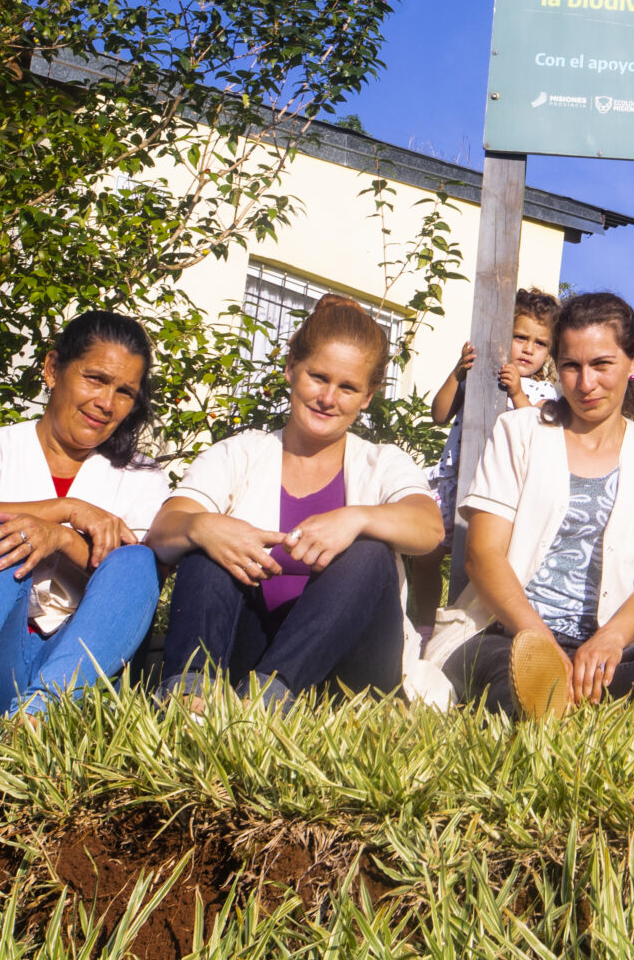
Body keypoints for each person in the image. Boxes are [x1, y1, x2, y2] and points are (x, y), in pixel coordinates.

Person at [148, 295, 442, 712]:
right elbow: (162, 531)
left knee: (370, 551)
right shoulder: (239, 454)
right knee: (207, 541)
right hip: (247, 656)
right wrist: (202, 528)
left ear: (367, 396)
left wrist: (355, 518)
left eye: (348, 388)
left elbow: (429, 528)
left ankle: (270, 701)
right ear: (290, 369)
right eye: (318, 377)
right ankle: (190, 698)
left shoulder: (382, 462)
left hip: (352, 669)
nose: (328, 397)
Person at [0, 312, 172, 742]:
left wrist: (59, 540)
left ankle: (36, 719)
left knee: (139, 560)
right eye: (95, 379)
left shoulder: (142, 476)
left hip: (79, 682)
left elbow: (133, 586)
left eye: (125, 392)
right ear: (52, 368)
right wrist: (60, 511)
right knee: (4, 538)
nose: (107, 403)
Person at [440, 290, 634, 720]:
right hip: (506, 633)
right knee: (514, 688)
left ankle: (570, 689)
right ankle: (545, 691)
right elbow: (483, 555)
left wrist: (612, 639)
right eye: (571, 366)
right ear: (555, 367)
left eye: (601, 365)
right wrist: (538, 640)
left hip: (599, 648)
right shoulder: (518, 431)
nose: (585, 384)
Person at [424, 288, 561, 594]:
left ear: (550, 351)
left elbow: (536, 433)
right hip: (454, 480)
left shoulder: (544, 394)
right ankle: (424, 623)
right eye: (520, 337)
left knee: (483, 562)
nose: (528, 349)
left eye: (540, 343)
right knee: (426, 552)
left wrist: (516, 394)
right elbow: (439, 414)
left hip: (499, 493)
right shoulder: (482, 374)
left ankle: (471, 628)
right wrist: (458, 374)